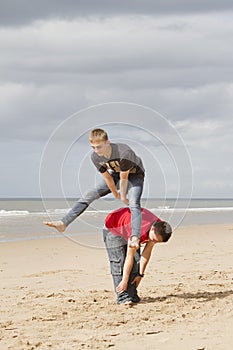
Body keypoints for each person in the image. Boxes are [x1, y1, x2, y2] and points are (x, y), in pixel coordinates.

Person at [44, 128, 145, 247]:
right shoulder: (95, 157)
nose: (96, 150)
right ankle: (64, 223)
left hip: (135, 176)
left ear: (107, 142)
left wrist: (122, 197)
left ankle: (135, 238)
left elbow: (124, 179)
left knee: (133, 203)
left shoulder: (124, 152)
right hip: (116, 175)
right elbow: (108, 178)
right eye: (93, 147)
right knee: (90, 194)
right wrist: (115, 194)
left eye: (99, 147)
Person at [103, 207, 172, 305]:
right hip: (113, 228)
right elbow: (129, 256)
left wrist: (140, 275)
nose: (153, 242)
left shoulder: (160, 227)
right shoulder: (137, 231)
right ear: (152, 229)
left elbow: (146, 253)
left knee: (136, 263)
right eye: (154, 239)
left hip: (128, 228)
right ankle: (123, 297)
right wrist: (124, 281)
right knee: (119, 263)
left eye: (157, 242)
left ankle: (132, 295)